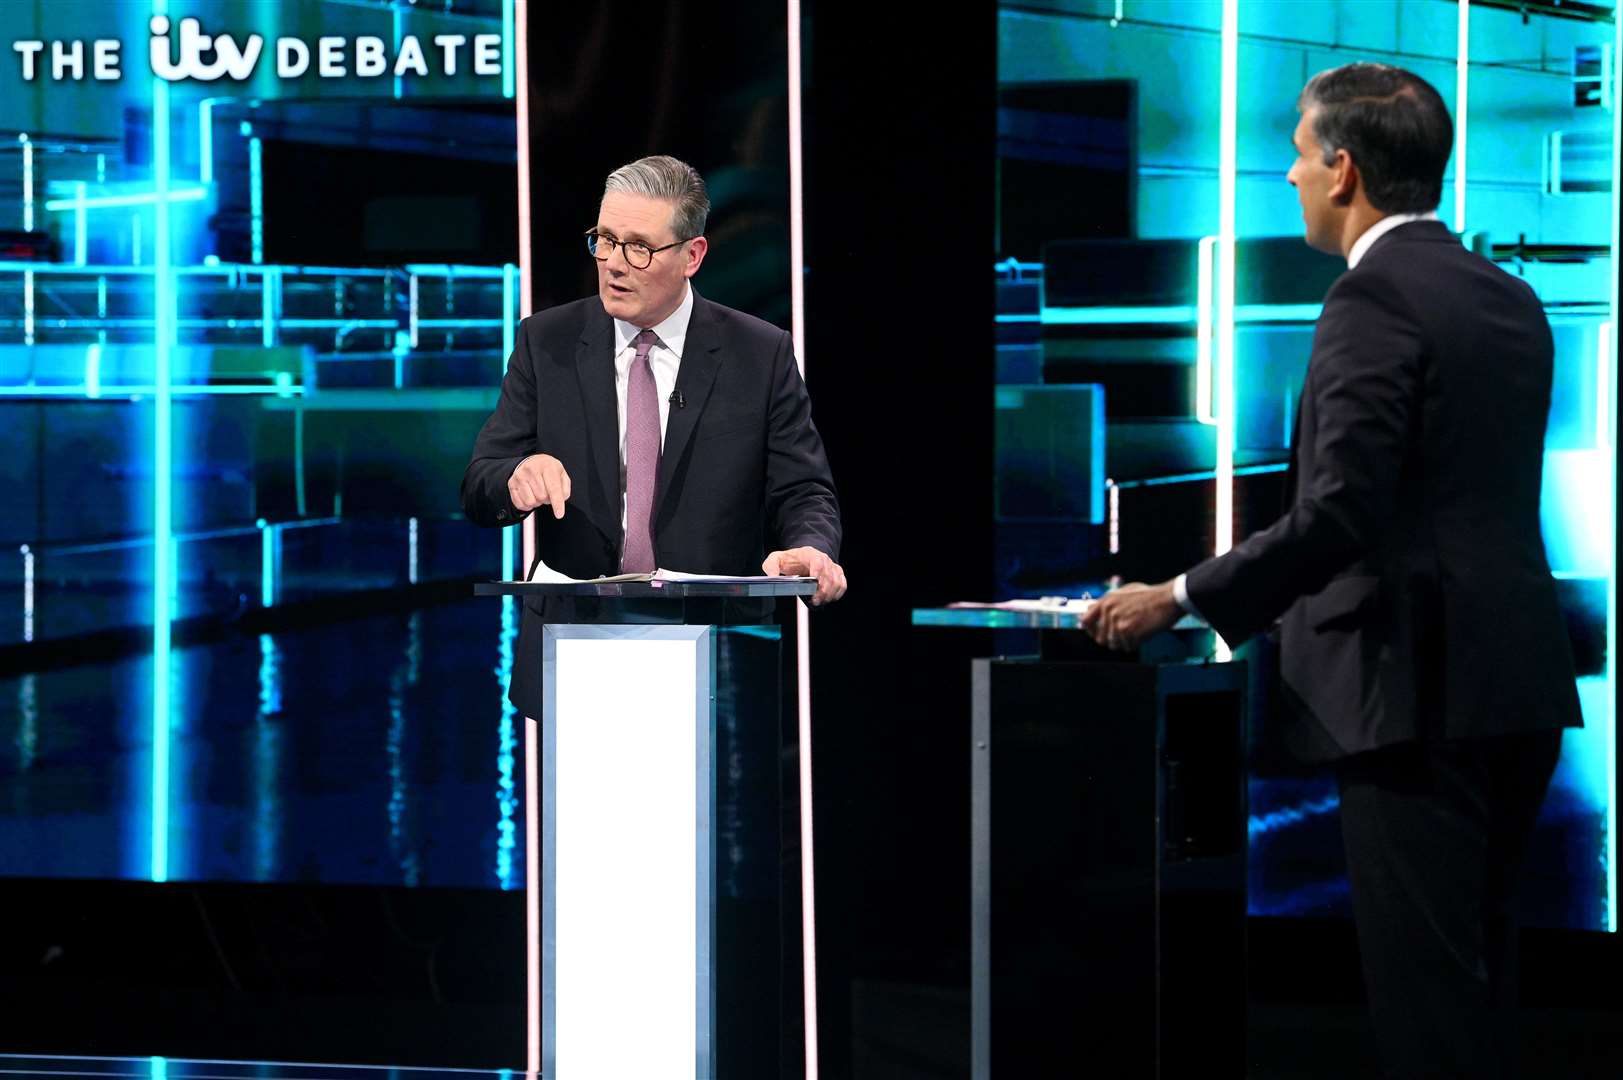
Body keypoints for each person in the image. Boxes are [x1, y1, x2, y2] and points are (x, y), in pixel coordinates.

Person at [1082, 64, 1581, 1078]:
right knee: (1479, 991)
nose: (1290, 175)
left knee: (1429, 1012)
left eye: (1302, 156)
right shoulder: (1506, 296)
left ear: (1344, 168)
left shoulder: (1370, 300)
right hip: (1514, 685)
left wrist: (1180, 595)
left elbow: (1340, 514)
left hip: (1411, 696)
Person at [462, 154, 846, 720]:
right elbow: (481, 481)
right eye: (605, 241)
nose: (615, 264)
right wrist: (514, 478)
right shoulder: (547, 343)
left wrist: (812, 549)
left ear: (692, 255)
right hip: (575, 653)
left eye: (639, 247)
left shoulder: (759, 354)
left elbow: (803, 491)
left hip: (716, 658)